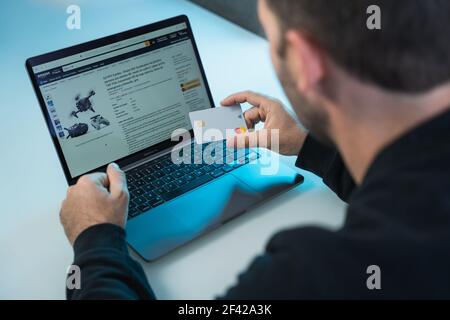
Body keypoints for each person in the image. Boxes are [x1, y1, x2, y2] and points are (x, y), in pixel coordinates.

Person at [60, 0, 450, 299]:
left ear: (304, 61)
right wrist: (310, 146)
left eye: (272, 37)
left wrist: (96, 239)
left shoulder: (308, 278)